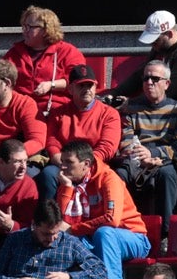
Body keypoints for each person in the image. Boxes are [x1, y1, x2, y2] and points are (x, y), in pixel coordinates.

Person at [114, 59, 177, 238]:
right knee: (119, 175)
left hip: (162, 158)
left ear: (167, 84)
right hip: (136, 157)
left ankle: (166, 234)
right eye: (146, 78)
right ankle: (120, 227)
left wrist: (154, 154)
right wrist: (140, 156)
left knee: (167, 174)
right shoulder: (131, 107)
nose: (149, 82)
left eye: (155, 79)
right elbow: (125, 139)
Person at [54, 138, 151, 279]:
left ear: (86, 164)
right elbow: (63, 223)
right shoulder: (68, 181)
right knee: (64, 238)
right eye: (62, 162)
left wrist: (73, 229)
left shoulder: (108, 178)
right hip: (94, 237)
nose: (63, 167)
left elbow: (112, 220)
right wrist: (67, 187)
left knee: (104, 233)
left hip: (133, 238)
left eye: (69, 162)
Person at [40, 65, 121, 201]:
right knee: (48, 174)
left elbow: (107, 148)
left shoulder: (109, 114)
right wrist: (63, 162)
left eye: (90, 85)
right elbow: (52, 142)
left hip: (95, 165)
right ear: (70, 89)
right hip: (64, 164)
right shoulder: (58, 112)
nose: (87, 90)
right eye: (81, 86)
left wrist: (82, 166)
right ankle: (50, 220)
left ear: (96, 88)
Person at [111, 10, 177, 105]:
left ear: (169, 34)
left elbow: (168, 90)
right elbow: (141, 74)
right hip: (171, 101)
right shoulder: (161, 46)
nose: (152, 44)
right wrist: (114, 94)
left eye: (155, 40)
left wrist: (131, 103)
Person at [6, 6, 85, 119]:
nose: (25, 31)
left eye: (30, 27)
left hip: (56, 111)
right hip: (19, 112)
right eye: (24, 26)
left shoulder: (67, 52)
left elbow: (78, 81)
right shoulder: (14, 53)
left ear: (46, 30)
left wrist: (51, 85)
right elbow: (0, 77)